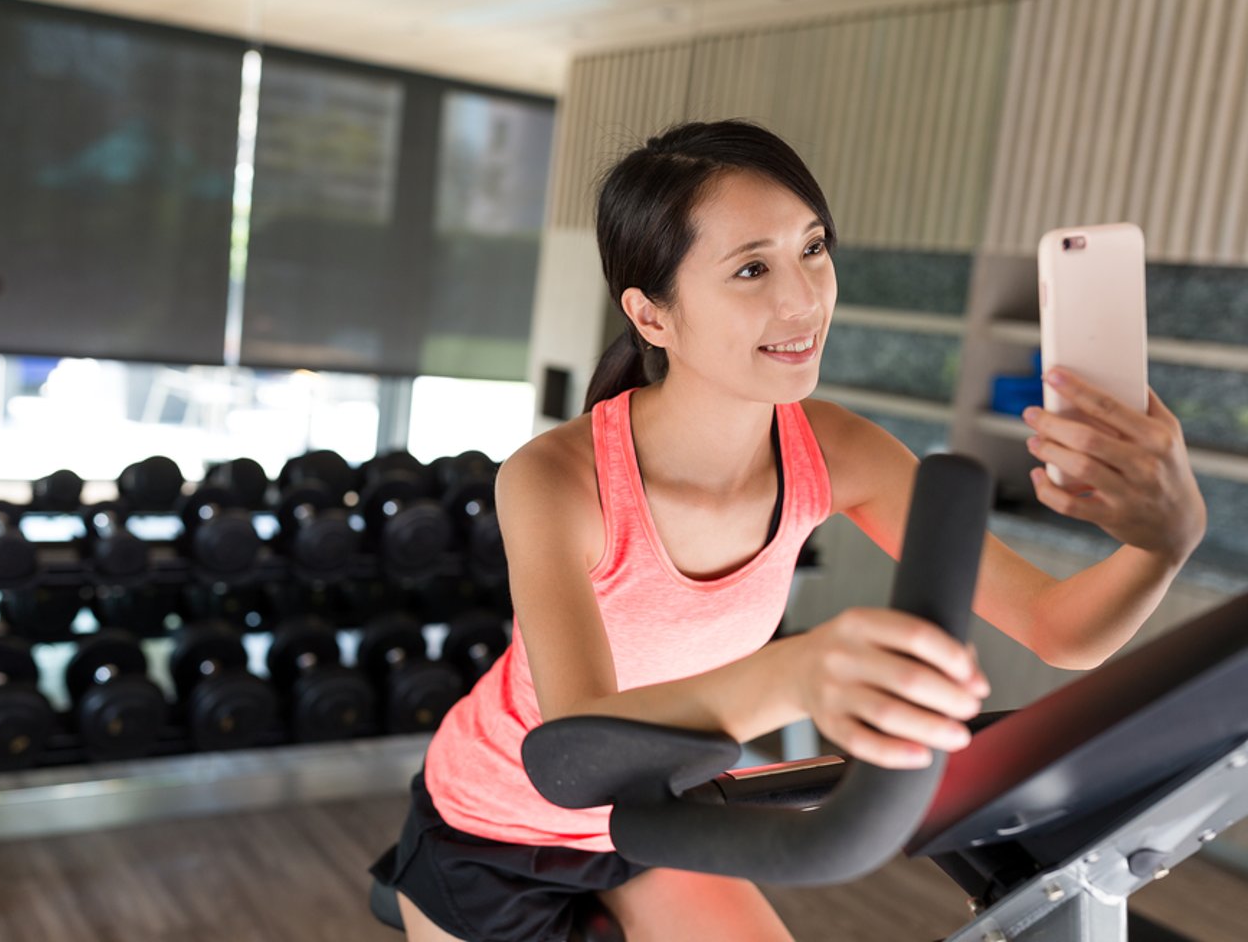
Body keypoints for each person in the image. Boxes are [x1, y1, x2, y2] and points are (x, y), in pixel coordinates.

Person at [371, 121, 1206, 942]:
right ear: (653, 316)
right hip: (497, 824)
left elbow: (1062, 631)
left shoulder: (833, 448)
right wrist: (800, 671)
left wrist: (1166, 540)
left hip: (669, 817)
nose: (802, 298)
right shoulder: (558, 479)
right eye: (750, 268)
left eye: (813, 248)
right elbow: (580, 749)